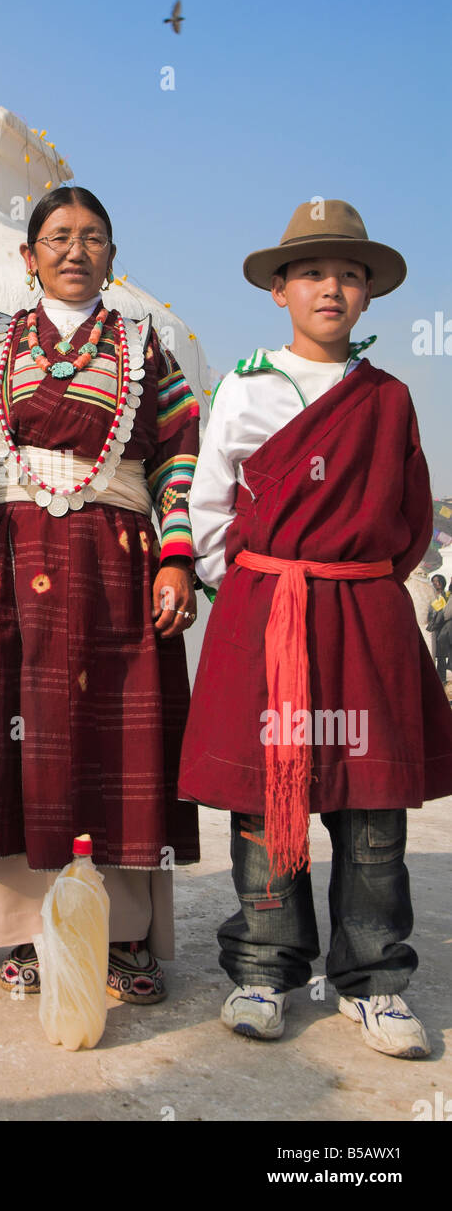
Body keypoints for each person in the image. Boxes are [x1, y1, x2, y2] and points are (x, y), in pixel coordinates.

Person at [0, 186, 200, 1003]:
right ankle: (34, 930)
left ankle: (125, 933)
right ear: (27, 255)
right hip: (3, 566)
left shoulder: (146, 345)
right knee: (15, 741)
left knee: (119, 744)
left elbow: (179, 457)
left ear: (112, 255)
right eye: (59, 237)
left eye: (94, 238)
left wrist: (177, 560)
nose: (77, 251)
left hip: (118, 566)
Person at [179, 200, 452, 1059]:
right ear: (279, 291)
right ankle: (265, 970)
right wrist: (256, 594)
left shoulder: (391, 399)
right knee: (268, 803)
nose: (330, 287)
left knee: (373, 810)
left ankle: (373, 980)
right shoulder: (245, 388)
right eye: (311, 272)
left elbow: (410, 520)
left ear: (368, 294)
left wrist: (353, 585)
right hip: (267, 616)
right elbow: (210, 506)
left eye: (348, 273)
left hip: (364, 614)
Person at [426, 573, 448, 681]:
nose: (436, 583)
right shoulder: (431, 596)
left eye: (438, 581)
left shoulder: (446, 596)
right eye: (434, 581)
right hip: (433, 629)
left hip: (443, 629)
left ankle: (442, 679)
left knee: (441, 655)